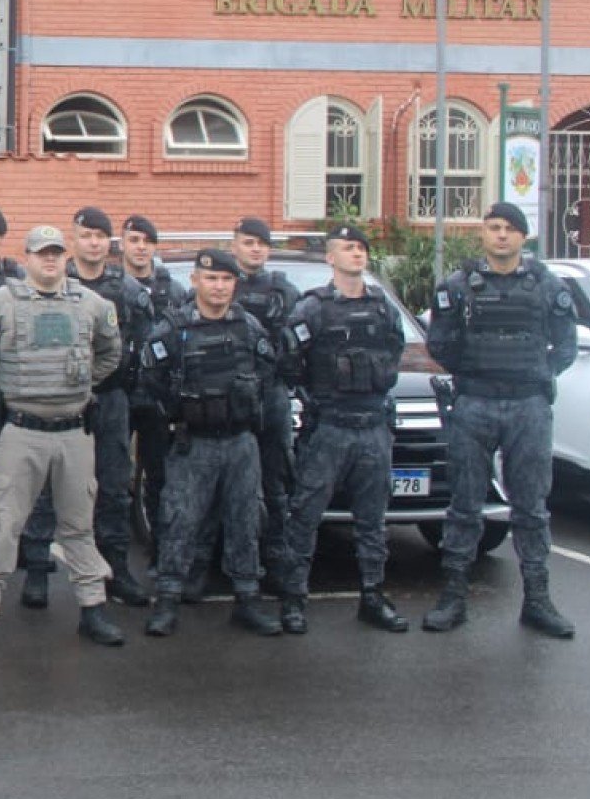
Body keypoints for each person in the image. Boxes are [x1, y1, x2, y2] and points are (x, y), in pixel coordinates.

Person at [0, 225, 126, 650]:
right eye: (41, 253)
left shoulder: (92, 304)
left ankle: (93, 609)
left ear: (64, 257)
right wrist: (6, 384)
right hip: (21, 432)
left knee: (78, 527)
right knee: (2, 525)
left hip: (73, 432)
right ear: (28, 257)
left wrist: (85, 384)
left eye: (56, 253)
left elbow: (110, 352)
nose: (49, 260)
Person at [423, 202, 580, 638]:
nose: (501, 235)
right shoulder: (456, 287)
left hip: (528, 407)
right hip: (475, 405)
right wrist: (475, 373)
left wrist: (537, 375)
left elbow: (566, 347)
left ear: (523, 236)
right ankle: (453, 598)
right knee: (464, 507)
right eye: (493, 227)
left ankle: (538, 601)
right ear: (483, 234)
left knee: (531, 507)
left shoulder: (547, 286)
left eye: (510, 228)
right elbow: (440, 343)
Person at [139, 249, 282, 639]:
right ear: (197, 282)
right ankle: (167, 601)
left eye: (226, 280)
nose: (219, 287)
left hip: (240, 443)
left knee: (246, 520)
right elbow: (150, 376)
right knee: (179, 519)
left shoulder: (249, 328)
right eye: (212, 279)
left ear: (234, 284)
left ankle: (247, 601)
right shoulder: (173, 327)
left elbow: (268, 374)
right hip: (193, 444)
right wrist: (179, 410)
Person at [18, 207, 156, 610]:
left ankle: (115, 568)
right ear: (73, 241)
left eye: (101, 236)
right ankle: (39, 571)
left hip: (111, 399)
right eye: (86, 235)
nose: (93, 242)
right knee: (46, 484)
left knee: (114, 486)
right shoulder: (52, 285)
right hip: (60, 399)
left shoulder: (128, 290)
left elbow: (146, 346)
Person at [279, 223, 409, 636]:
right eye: (347, 248)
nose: (356, 254)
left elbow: (394, 349)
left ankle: (373, 596)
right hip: (330, 429)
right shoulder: (312, 308)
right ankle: (294, 599)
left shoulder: (383, 306)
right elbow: (290, 361)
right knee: (305, 516)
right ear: (330, 257)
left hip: (372, 425)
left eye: (360, 248)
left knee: (373, 521)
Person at [226, 216, 301, 596]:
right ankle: (228, 561)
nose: (255, 249)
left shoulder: (284, 291)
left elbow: (298, 341)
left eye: (261, 243)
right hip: (229, 396)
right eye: (248, 242)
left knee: (275, 481)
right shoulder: (221, 283)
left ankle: (276, 558)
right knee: (227, 482)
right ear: (234, 244)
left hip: (271, 394)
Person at [119, 215, 181, 560]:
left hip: (157, 397)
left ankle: (160, 549)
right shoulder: (112, 285)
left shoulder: (172, 289)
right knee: (111, 475)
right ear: (123, 244)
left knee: (158, 474)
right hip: (120, 392)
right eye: (134, 240)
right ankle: (111, 555)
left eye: (147, 241)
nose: (141, 248)